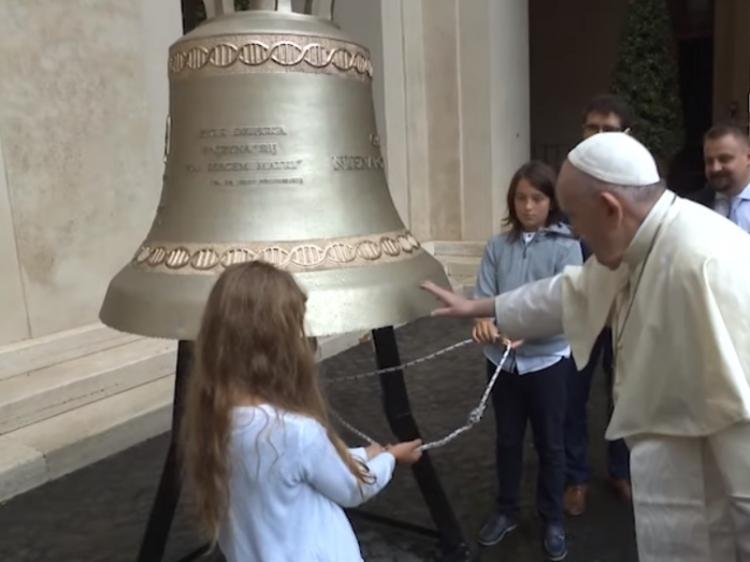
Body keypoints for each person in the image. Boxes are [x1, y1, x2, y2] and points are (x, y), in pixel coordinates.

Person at [422, 133, 750, 562]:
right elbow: (569, 292)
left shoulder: (707, 263)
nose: (574, 230)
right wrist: (479, 306)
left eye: (577, 216)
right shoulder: (646, 239)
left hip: (716, 518)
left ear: (612, 209)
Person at [180, 261, 423, 562]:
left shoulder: (213, 418)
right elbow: (352, 487)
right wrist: (390, 458)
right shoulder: (295, 431)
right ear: (276, 344)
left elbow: (303, 466)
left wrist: (364, 454)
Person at [473, 161, 582, 560]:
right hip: (502, 362)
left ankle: (552, 517)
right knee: (506, 440)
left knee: (551, 444)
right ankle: (506, 510)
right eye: (520, 198)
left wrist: (529, 330)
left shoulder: (566, 246)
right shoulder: (496, 247)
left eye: (536, 198)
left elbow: (566, 307)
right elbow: (483, 299)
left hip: (547, 362)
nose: (528, 206)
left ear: (551, 201)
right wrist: (483, 323)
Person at [565, 95, 634, 515]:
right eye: (592, 128)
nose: (599, 136)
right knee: (573, 396)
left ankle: (620, 469)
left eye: (609, 129)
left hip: (626, 312)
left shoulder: (641, 184)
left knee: (622, 393)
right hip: (579, 312)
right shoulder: (566, 182)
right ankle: (575, 477)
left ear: (627, 135)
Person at [688, 122, 750, 233]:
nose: (715, 168)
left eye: (724, 159)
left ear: (748, 158)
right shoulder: (692, 207)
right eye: (709, 161)